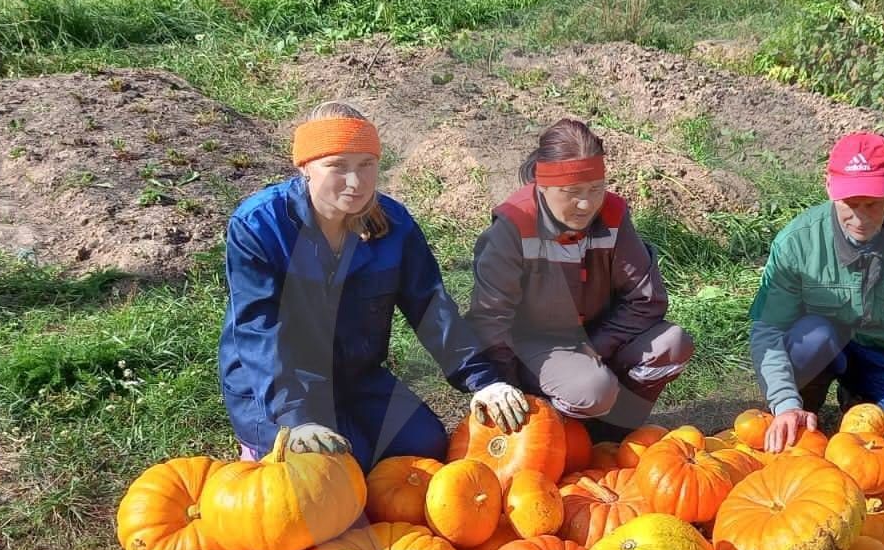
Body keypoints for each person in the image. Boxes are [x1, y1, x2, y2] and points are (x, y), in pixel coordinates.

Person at [219, 101, 528, 472]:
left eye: (367, 164)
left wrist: (483, 380)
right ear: (304, 167)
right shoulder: (259, 227)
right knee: (339, 471)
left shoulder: (393, 224)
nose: (356, 182)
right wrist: (294, 418)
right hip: (279, 385)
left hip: (354, 377)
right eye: (337, 166)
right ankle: (261, 446)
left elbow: (431, 306)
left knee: (424, 446)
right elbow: (259, 330)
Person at [467, 118, 693, 443]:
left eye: (595, 189)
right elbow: (491, 320)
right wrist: (506, 388)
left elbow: (647, 298)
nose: (586, 204)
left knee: (672, 343)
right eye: (572, 193)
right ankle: (554, 432)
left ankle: (614, 434)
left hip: (599, 334)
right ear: (542, 186)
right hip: (536, 346)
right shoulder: (512, 228)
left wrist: (598, 346)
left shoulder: (613, 215)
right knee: (593, 388)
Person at [749, 132, 884, 453]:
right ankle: (803, 404)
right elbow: (768, 329)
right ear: (828, 186)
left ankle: (859, 394)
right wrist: (784, 402)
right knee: (813, 337)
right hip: (824, 345)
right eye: (850, 203)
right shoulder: (796, 242)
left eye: (872, 204)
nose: (860, 218)